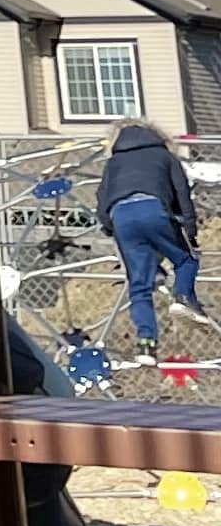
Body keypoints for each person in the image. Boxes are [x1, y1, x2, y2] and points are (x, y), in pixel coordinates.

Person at [95, 119, 206, 357]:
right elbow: (182, 194)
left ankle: (146, 344)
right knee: (187, 260)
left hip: (121, 216)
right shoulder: (165, 157)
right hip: (153, 207)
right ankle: (184, 297)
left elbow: (102, 199)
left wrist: (110, 228)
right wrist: (190, 230)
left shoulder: (113, 163)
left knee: (139, 286)